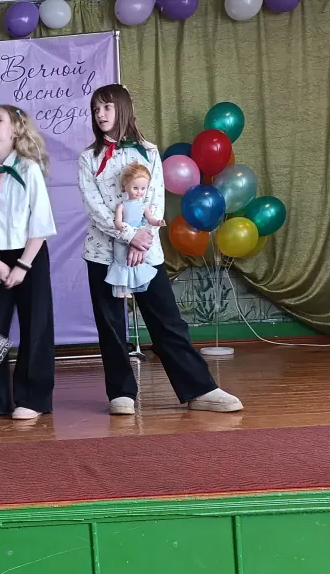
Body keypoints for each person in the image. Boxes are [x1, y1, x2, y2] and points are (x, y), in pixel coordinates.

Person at [77, 83, 242, 416]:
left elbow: (155, 202)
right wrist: (129, 237)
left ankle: (200, 389)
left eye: (107, 107)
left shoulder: (149, 152)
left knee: (167, 321)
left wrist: (143, 240)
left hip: (146, 253)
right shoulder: (88, 158)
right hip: (103, 254)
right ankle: (121, 392)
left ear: (123, 108)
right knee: (111, 325)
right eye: (96, 109)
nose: (100, 115)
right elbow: (95, 208)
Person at [0, 105, 57, 421]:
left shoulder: (29, 170)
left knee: (36, 326)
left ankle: (32, 397)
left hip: (29, 256)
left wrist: (22, 266)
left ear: (16, 130)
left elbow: (40, 225)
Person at [106, 162, 165, 299]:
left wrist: (158, 222)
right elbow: (118, 220)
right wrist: (121, 226)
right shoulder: (122, 205)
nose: (139, 192)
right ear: (125, 186)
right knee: (122, 261)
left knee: (134, 263)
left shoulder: (143, 206)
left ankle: (130, 288)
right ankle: (121, 289)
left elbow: (150, 219)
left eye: (143, 188)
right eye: (135, 188)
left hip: (140, 238)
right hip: (124, 238)